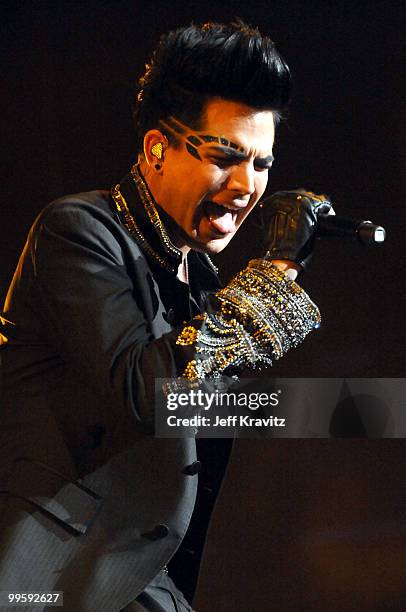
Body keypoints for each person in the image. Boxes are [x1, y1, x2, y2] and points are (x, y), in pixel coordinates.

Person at [0, 21, 331, 612]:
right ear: (157, 148)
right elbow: (149, 393)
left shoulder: (199, 281)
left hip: (142, 583)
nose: (246, 186)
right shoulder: (79, 232)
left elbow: (213, 408)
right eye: (226, 156)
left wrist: (369, 411)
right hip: (46, 581)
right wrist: (275, 273)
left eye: (261, 165)